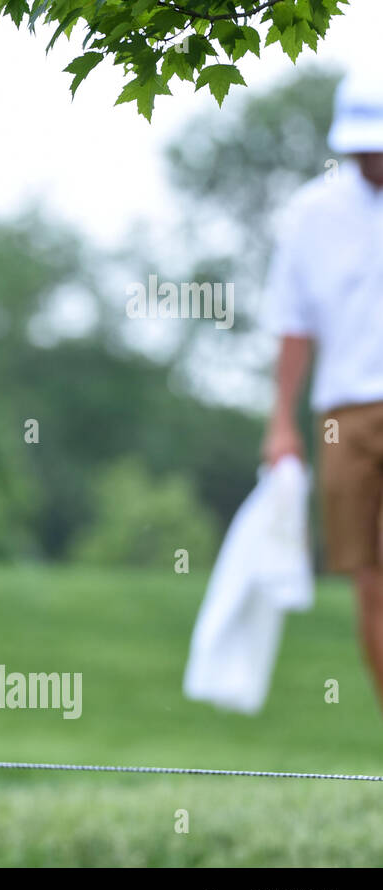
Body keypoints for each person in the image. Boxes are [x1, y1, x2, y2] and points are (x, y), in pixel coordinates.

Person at [261, 68, 383, 711]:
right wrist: (280, 422)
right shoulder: (313, 211)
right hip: (345, 415)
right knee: (370, 584)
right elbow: (294, 324)